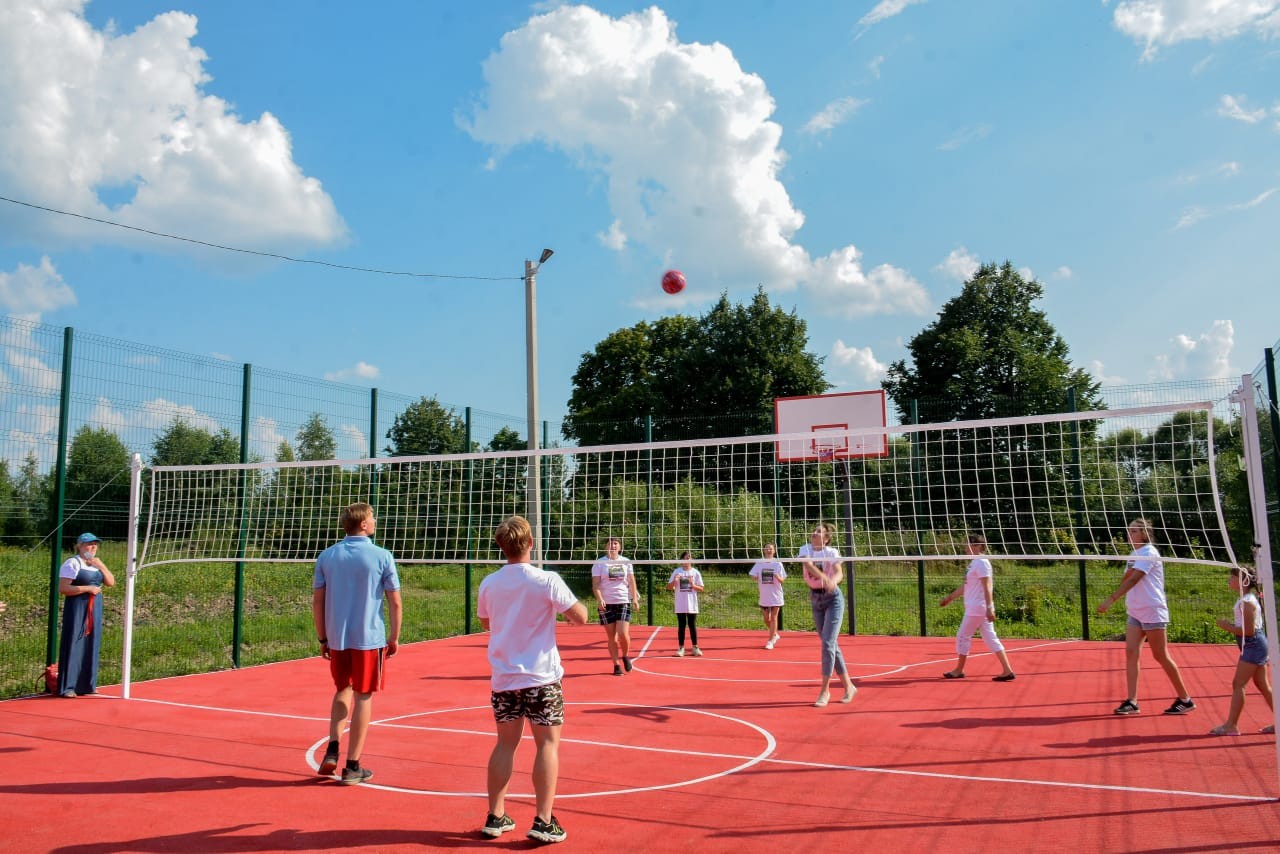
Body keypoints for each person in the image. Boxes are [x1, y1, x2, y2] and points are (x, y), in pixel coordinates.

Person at [478, 515, 588, 843]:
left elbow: (486, 623)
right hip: (542, 679)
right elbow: (581, 617)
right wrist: (554, 613)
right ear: (530, 543)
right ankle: (543, 820)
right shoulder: (546, 580)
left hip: (505, 679)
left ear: (501, 546)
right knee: (547, 745)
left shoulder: (489, 583)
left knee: (504, 745)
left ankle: (495, 816)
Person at [312, 502, 402, 785]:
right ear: (363, 524)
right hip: (368, 639)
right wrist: (394, 637)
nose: (375, 521)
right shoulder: (382, 556)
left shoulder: (327, 556)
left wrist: (323, 637)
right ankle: (352, 766)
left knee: (343, 689)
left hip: (337, 638)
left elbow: (318, 601)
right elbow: (395, 602)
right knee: (364, 696)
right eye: (372, 517)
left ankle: (332, 748)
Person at [1097, 518, 1195, 716]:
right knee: (1131, 653)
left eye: (1134, 531)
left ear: (1144, 533)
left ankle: (1185, 699)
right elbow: (1128, 577)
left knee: (1160, 655)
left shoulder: (1149, 552)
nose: (1129, 534)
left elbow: (1134, 579)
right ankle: (1132, 701)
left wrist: (1111, 599)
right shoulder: (1134, 554)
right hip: (1135, 611)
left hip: (1152, 610)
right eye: (1129, 530)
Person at [939, 533, 1016, 681]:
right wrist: (949, 598)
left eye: (968, 544)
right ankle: (1007, 670)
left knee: (963, 636)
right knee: (990, 638)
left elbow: (987, 586)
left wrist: (989, 607)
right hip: (977, 607)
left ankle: (959, 670)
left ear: (978, 546)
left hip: (977, 608)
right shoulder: (974, 563)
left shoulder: (981, 562)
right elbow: (966, 586)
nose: (965, 548)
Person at [1210, 566, 1275, 736]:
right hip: (1255, 645)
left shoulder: (1246, 602)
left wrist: (1226, 626)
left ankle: (1231, 725)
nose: (1229, 580)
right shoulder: (1245, 599)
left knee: (1238, 684)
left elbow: (1250, 631)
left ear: (1243, 582)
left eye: (1232, 577)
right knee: (1262, 685)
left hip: (1254, 645)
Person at [800, 523, 856, 708]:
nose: (814, 533)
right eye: (814, 530)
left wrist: (833, 581)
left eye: (819, 532)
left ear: (826, 538)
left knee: (828, 643)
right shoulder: (805, 549)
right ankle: (849, 686)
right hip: (816, 599)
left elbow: (839, 572)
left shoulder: (831, 552)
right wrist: (824, 577)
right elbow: (808, 565)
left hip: (833, 599)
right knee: (830, 644)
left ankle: (825, 690)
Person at [56, 533, 115, 697]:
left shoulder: (96, 564)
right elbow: (63, 588)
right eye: (89, 544)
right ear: (80, 546)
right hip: (77, 608)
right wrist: (88, 588)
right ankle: (68, 687)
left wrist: (102, 566)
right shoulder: (72, 563)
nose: (93, 547)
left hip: (95, 607)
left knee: (92, 641)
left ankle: (87, 685)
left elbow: (110, 582)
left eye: (95, 544)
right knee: (74, 640)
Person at [591, 536, 640, 676]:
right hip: (607, 603)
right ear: (605, 547)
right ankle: (616, 665)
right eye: (610, 543)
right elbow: (595, 584)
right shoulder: (599, 563)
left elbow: (631, 581)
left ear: (620, 546)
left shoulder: (626, 561)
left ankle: (625, 655)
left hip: (623, 600)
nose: (612, 546)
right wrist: (600, 599)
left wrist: (635, 599)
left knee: (623, 633)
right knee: (612, 637)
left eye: (615, 543)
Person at [666, 551, 704, 657]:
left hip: (692, 603)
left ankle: (695, 647)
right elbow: (669, 587)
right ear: (681, 560)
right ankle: (681, 648)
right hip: (680, 603)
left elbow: (701, 588)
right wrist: (675, 581)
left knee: (692, 625)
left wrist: (693, 585)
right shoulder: (677, 571)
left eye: (689, 558)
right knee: (681, 625)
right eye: (685, 558)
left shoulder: (695, 572)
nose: (687, 560)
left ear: (691, 560)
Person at [749, 543, 786, 649]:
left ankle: (770, 641)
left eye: (771, 549)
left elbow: (782, 580)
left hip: (775, 595)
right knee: (766, 619)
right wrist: (755, 577)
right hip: (764, 595)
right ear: (764, 550)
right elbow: (753, 576)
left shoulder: (778, 563)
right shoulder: (759, 562)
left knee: (774, 618)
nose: (769, 550)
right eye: (767, 548)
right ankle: (774, 634)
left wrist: (777, 576)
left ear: (774, 551)